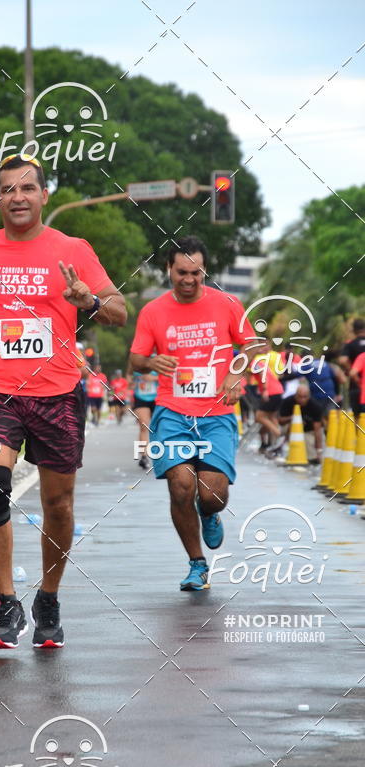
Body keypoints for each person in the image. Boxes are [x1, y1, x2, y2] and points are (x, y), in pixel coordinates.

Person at [0, 153, 126, 649]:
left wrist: (90, 302)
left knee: (58, 503)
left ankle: (48, 599)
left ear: (43, 196)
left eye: (27, 188)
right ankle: (6, 602)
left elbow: (119, 311)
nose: (17, 197)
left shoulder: (72, 248)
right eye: (8, 189)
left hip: (57, 391)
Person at [129, 235, 258, 591]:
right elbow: (136, 358)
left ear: (205, 271)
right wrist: (151, 360)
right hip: (173, 412)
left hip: (216, 414)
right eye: (182, 272)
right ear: (168, 269)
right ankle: (197, 563)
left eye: (196, 273)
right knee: (180, 485)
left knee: (211, 494)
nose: (189, 279)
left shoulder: (228, 304)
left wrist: (235, 372)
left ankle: (210, 512)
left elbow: (253, 345)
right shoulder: (153, 312)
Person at [277, 381, 324, 463]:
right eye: (299, 397)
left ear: (309, 396)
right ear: (295, 395)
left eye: (305, 397)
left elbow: (317, 430)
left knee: (311, 456)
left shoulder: (315, 406)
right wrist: (293, 418)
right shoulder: (287, 401)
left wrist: (318, 450)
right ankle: (283, 445)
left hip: (308, 431)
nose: (302, 400)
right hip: (288, 428)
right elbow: (280, 420)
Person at [129, 364, 159, 469]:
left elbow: (169, 376)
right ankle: (144, 456)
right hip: (141, 397)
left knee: (158, 427)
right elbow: (129, 376)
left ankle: (160, 454)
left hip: (158, 398)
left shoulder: (160, 357)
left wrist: (154, 378)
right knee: (144, 425)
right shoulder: (138, 359)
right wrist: (131, 382)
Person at [339, 319, 365, 415]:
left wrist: (352, 374)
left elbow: (343, 360)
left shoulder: (350, 344)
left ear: (354, 330)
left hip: (356, 384)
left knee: (358, 416)